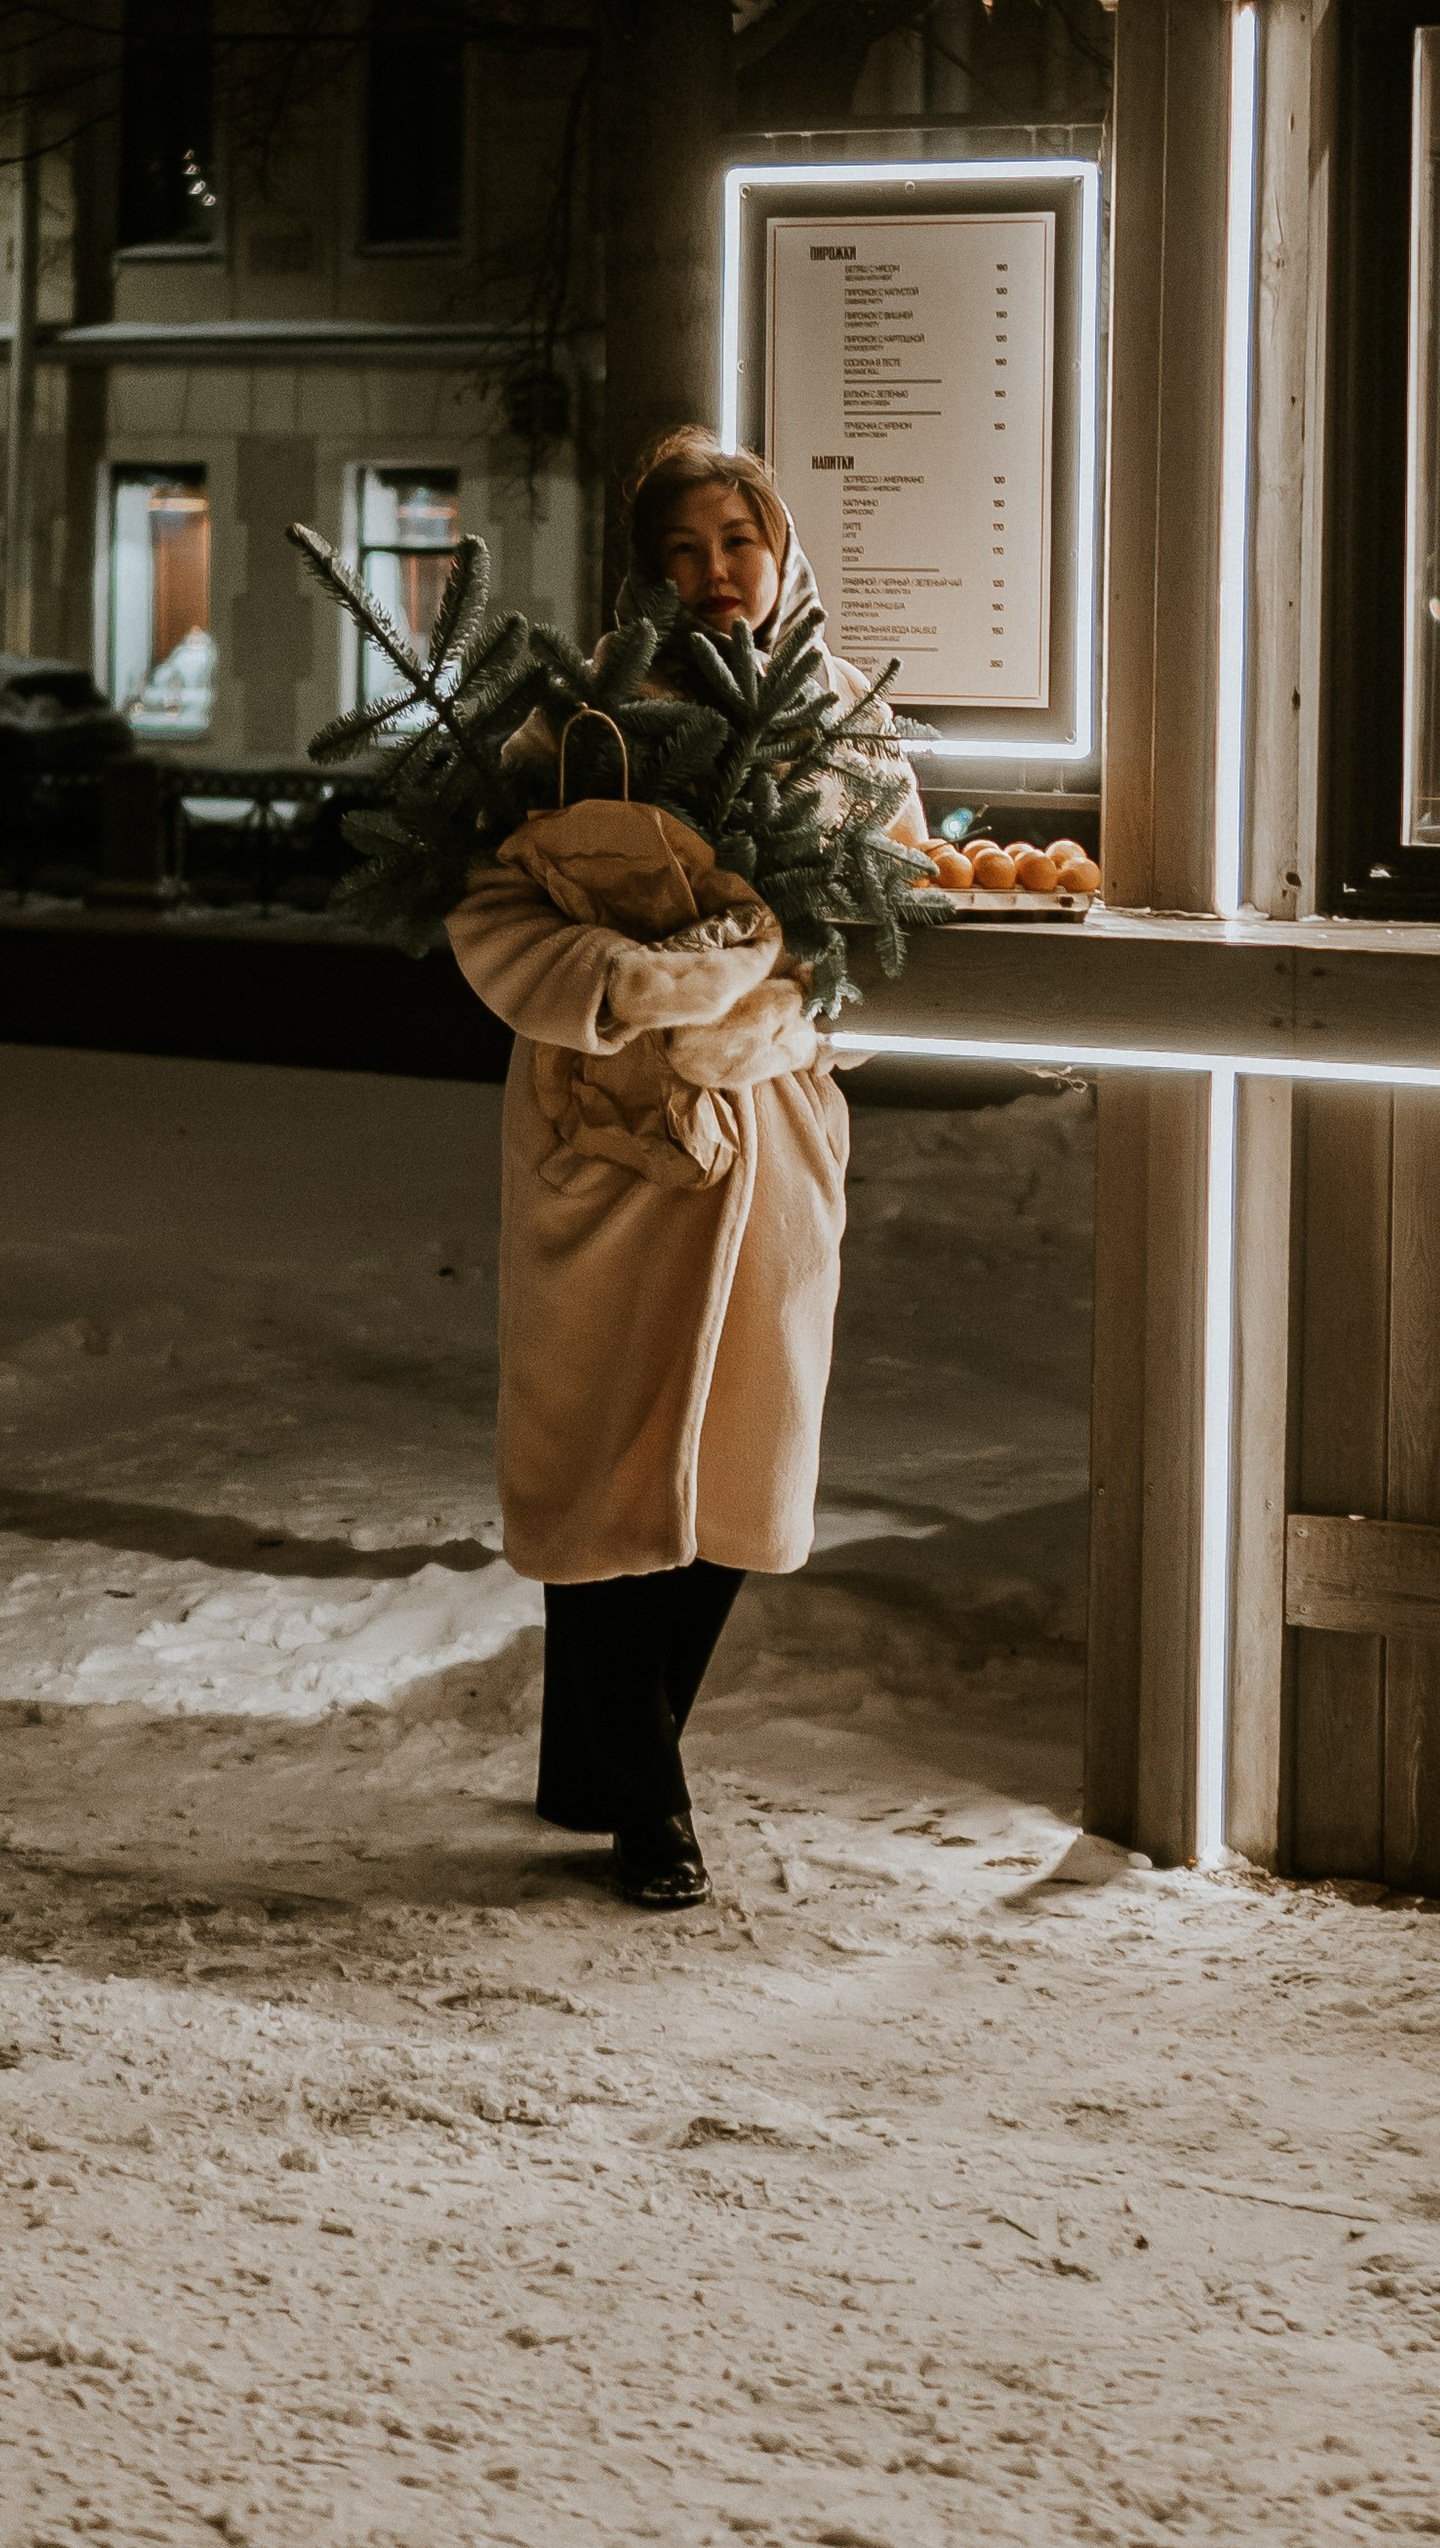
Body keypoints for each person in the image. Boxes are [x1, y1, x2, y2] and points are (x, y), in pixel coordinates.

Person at [445, 431, 923, 1909]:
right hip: (602, 1138)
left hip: (771, 1138)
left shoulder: (850, 726)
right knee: (596, 1457)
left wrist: (781, 1020)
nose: (718, 574)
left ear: (778, 550)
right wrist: (634, 993)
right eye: (686, 551)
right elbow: (492, 916)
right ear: (649, 572)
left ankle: (607, 1757)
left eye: (739, 542)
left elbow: (894, 931)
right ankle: (650, 1802)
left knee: (738, 1465)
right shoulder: (583, 723)